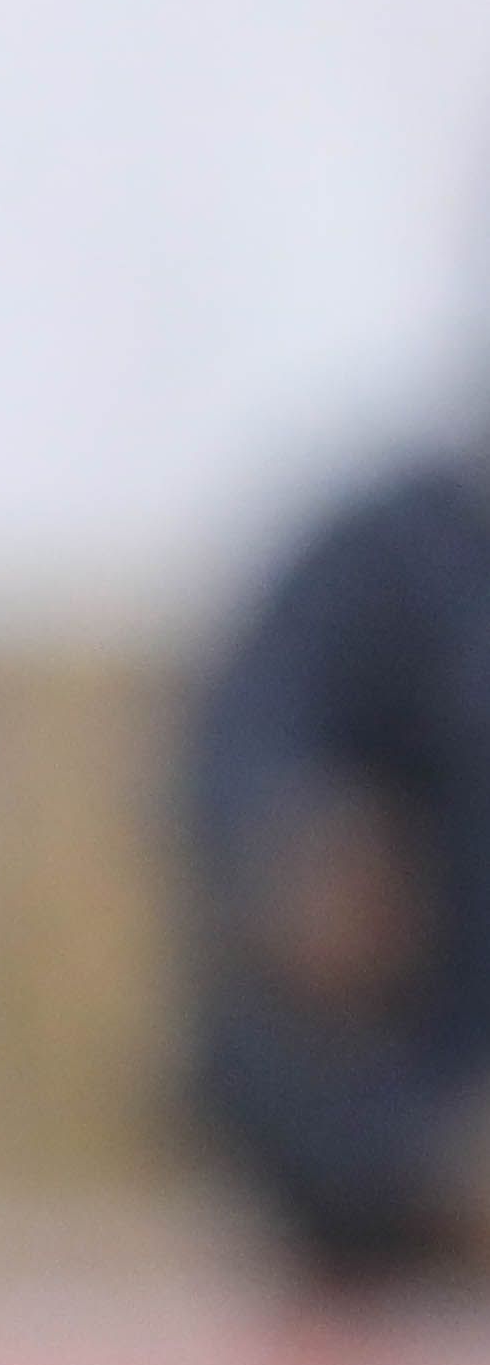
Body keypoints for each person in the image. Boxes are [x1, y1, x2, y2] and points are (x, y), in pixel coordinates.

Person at [180, 435, 490, 1284]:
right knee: (255, 1041)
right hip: (419, 1075)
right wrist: (296, 841)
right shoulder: (390, 556)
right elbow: (244, 742)